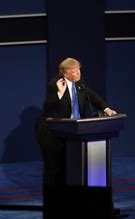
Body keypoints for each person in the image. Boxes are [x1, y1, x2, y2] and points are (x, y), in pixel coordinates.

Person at [36, 57, 117, 187]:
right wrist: (60, 94)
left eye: (79, 70)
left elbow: (91, 96)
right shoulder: (54, 84)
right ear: (65, 73)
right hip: (51, 132)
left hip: (72, 130)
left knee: (72, 165)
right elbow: (48, 108)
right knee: (54, 167)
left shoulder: (80, 83)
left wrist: (106, 109)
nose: (78, 73)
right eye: (74, 71)